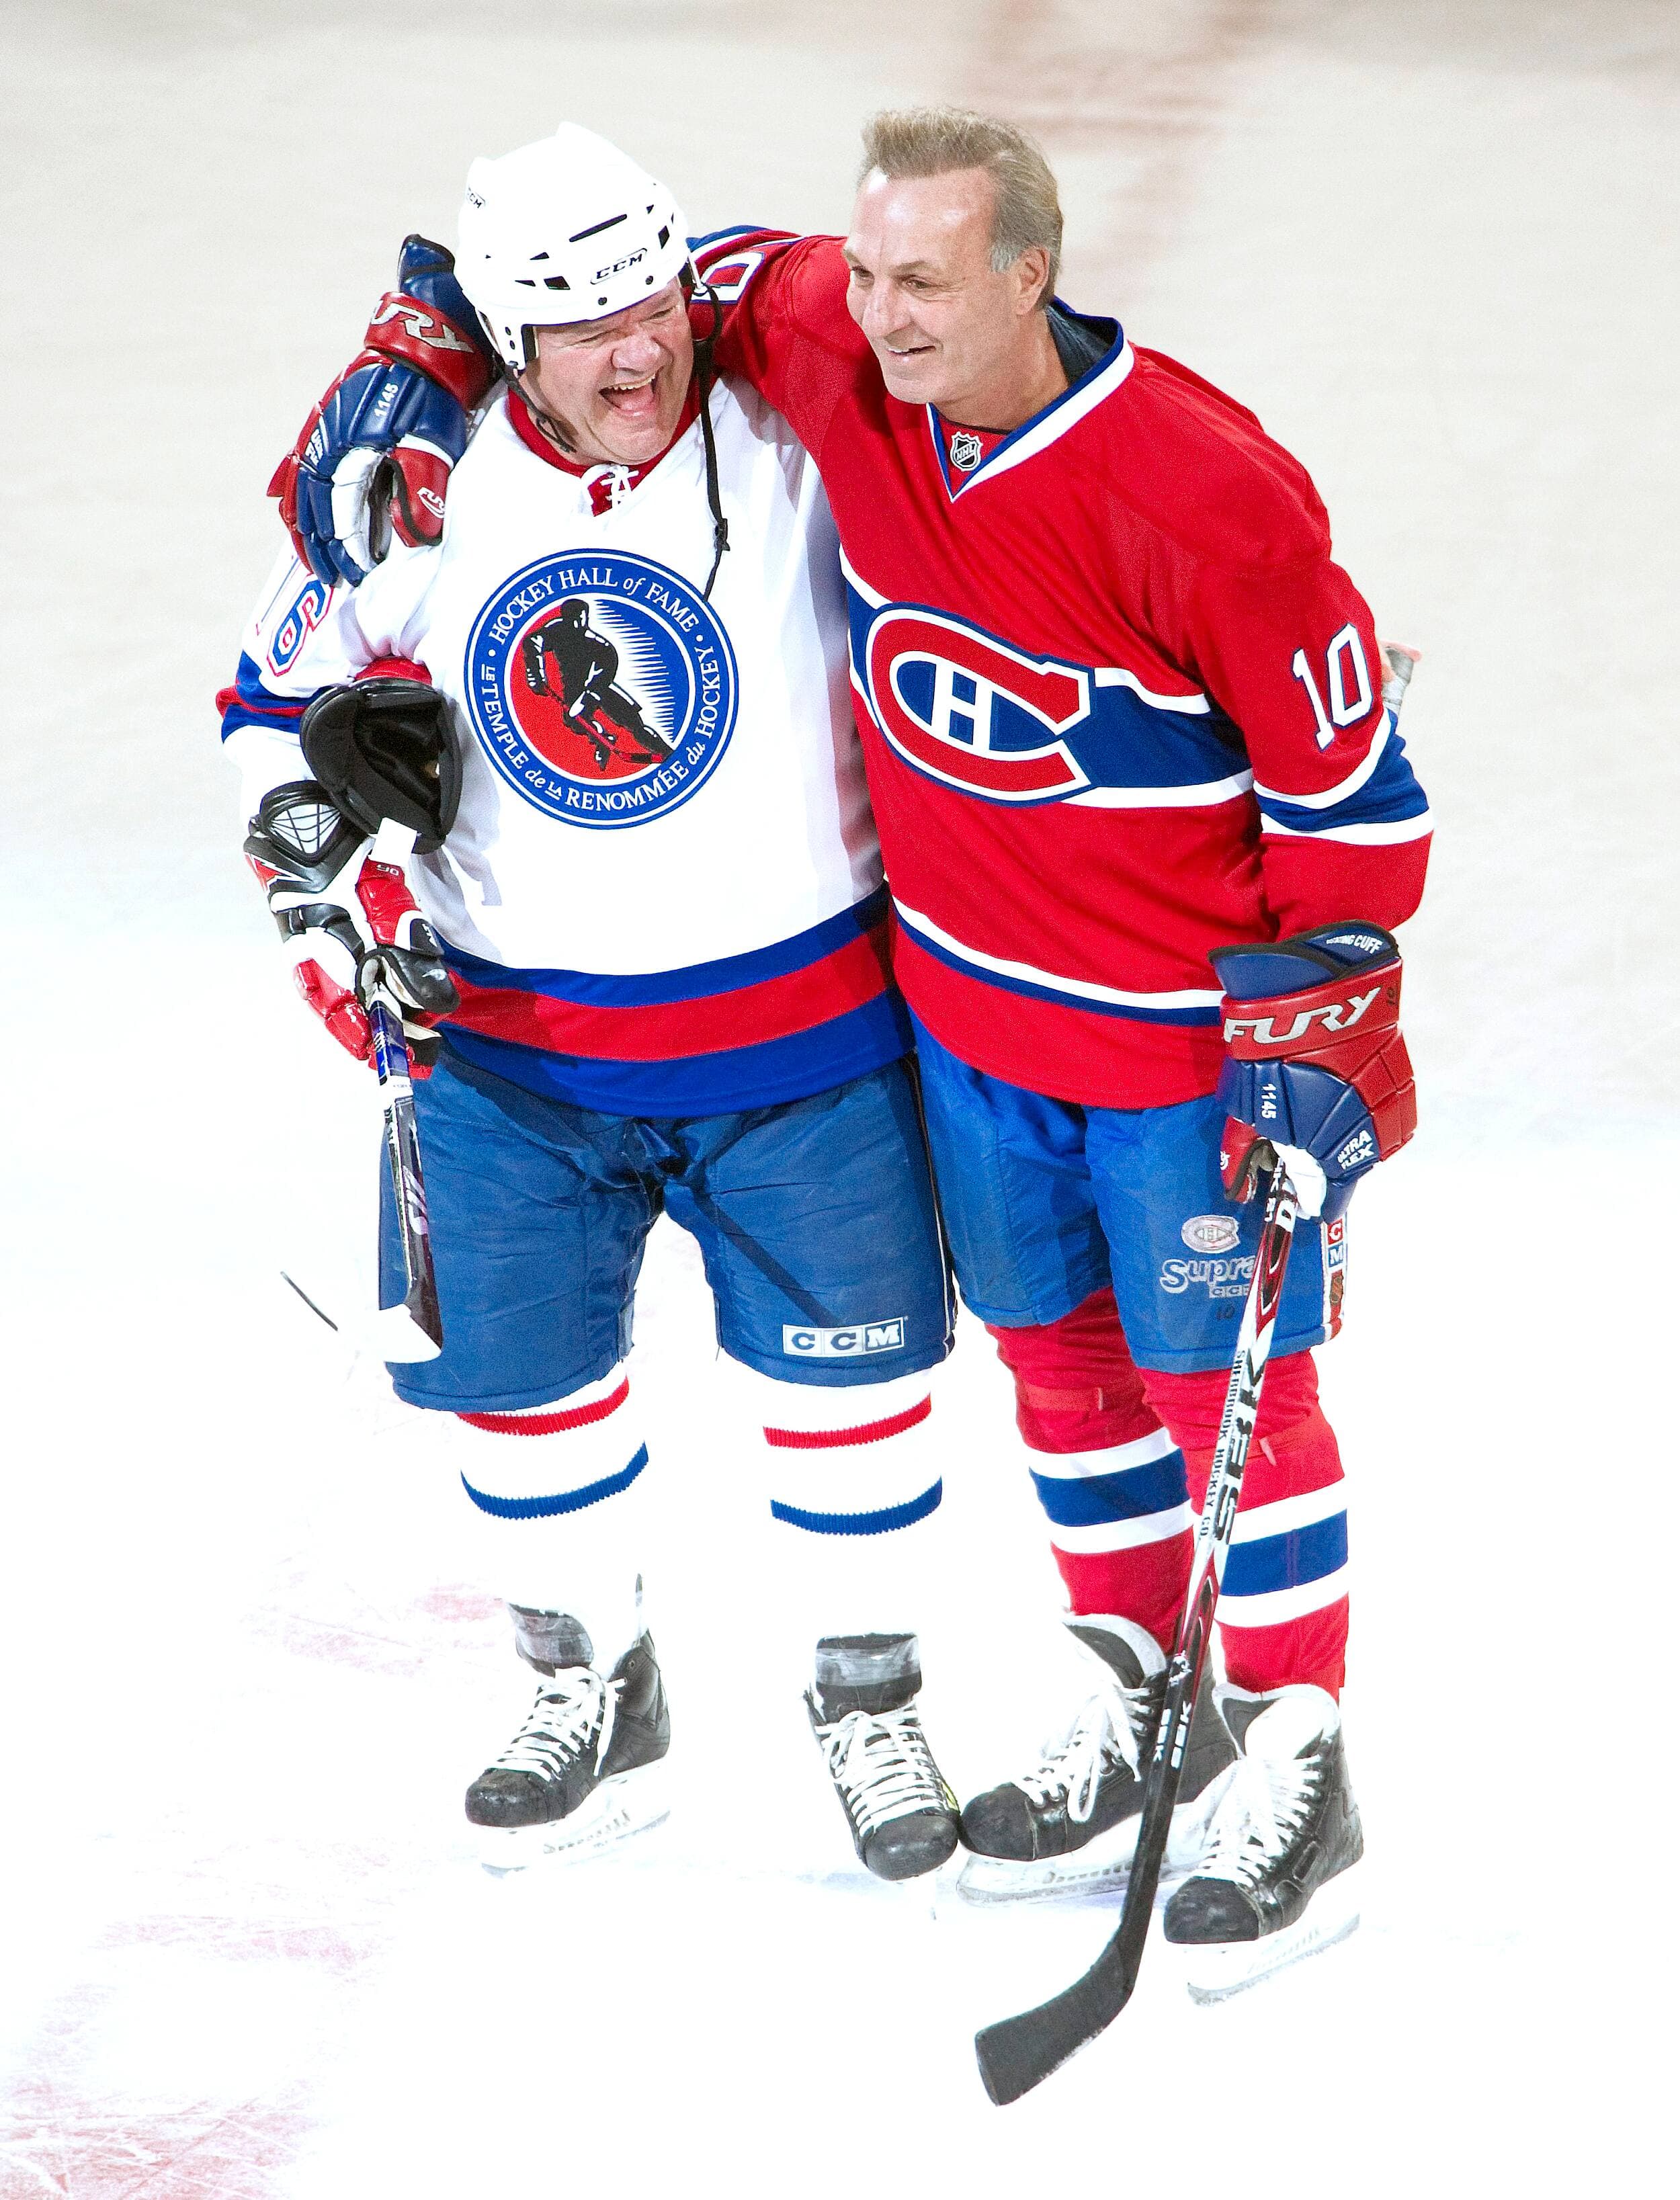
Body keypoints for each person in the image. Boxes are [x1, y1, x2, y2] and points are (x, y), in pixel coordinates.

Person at [269, 106, 1431, 1993]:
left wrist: (1317, 1031)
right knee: (1057, 1372)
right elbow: (644, 282)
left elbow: (1354, 808)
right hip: (968, 1024)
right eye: (865, 271)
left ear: (1030, 274)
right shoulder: (817, 335)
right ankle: (1143, 1695)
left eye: (926, 280)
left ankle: (1295, 1754)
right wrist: (408, 356)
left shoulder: (1207, 491)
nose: (879, 313)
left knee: (1235, 1384)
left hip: (1165, 1046)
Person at [226, 124, 965, 1883]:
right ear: (506, 336)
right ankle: (592, 1684)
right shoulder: (411, 482)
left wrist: (418, 326)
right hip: (517, 1064)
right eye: (578, 324)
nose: (633, 350)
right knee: (527, 1398)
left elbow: (840, 278)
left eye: (649, 300)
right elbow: (269, 715)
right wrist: (327, 871)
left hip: (806, 1044)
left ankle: (868, 1703)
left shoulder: (790, 415)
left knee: (853, 1401)